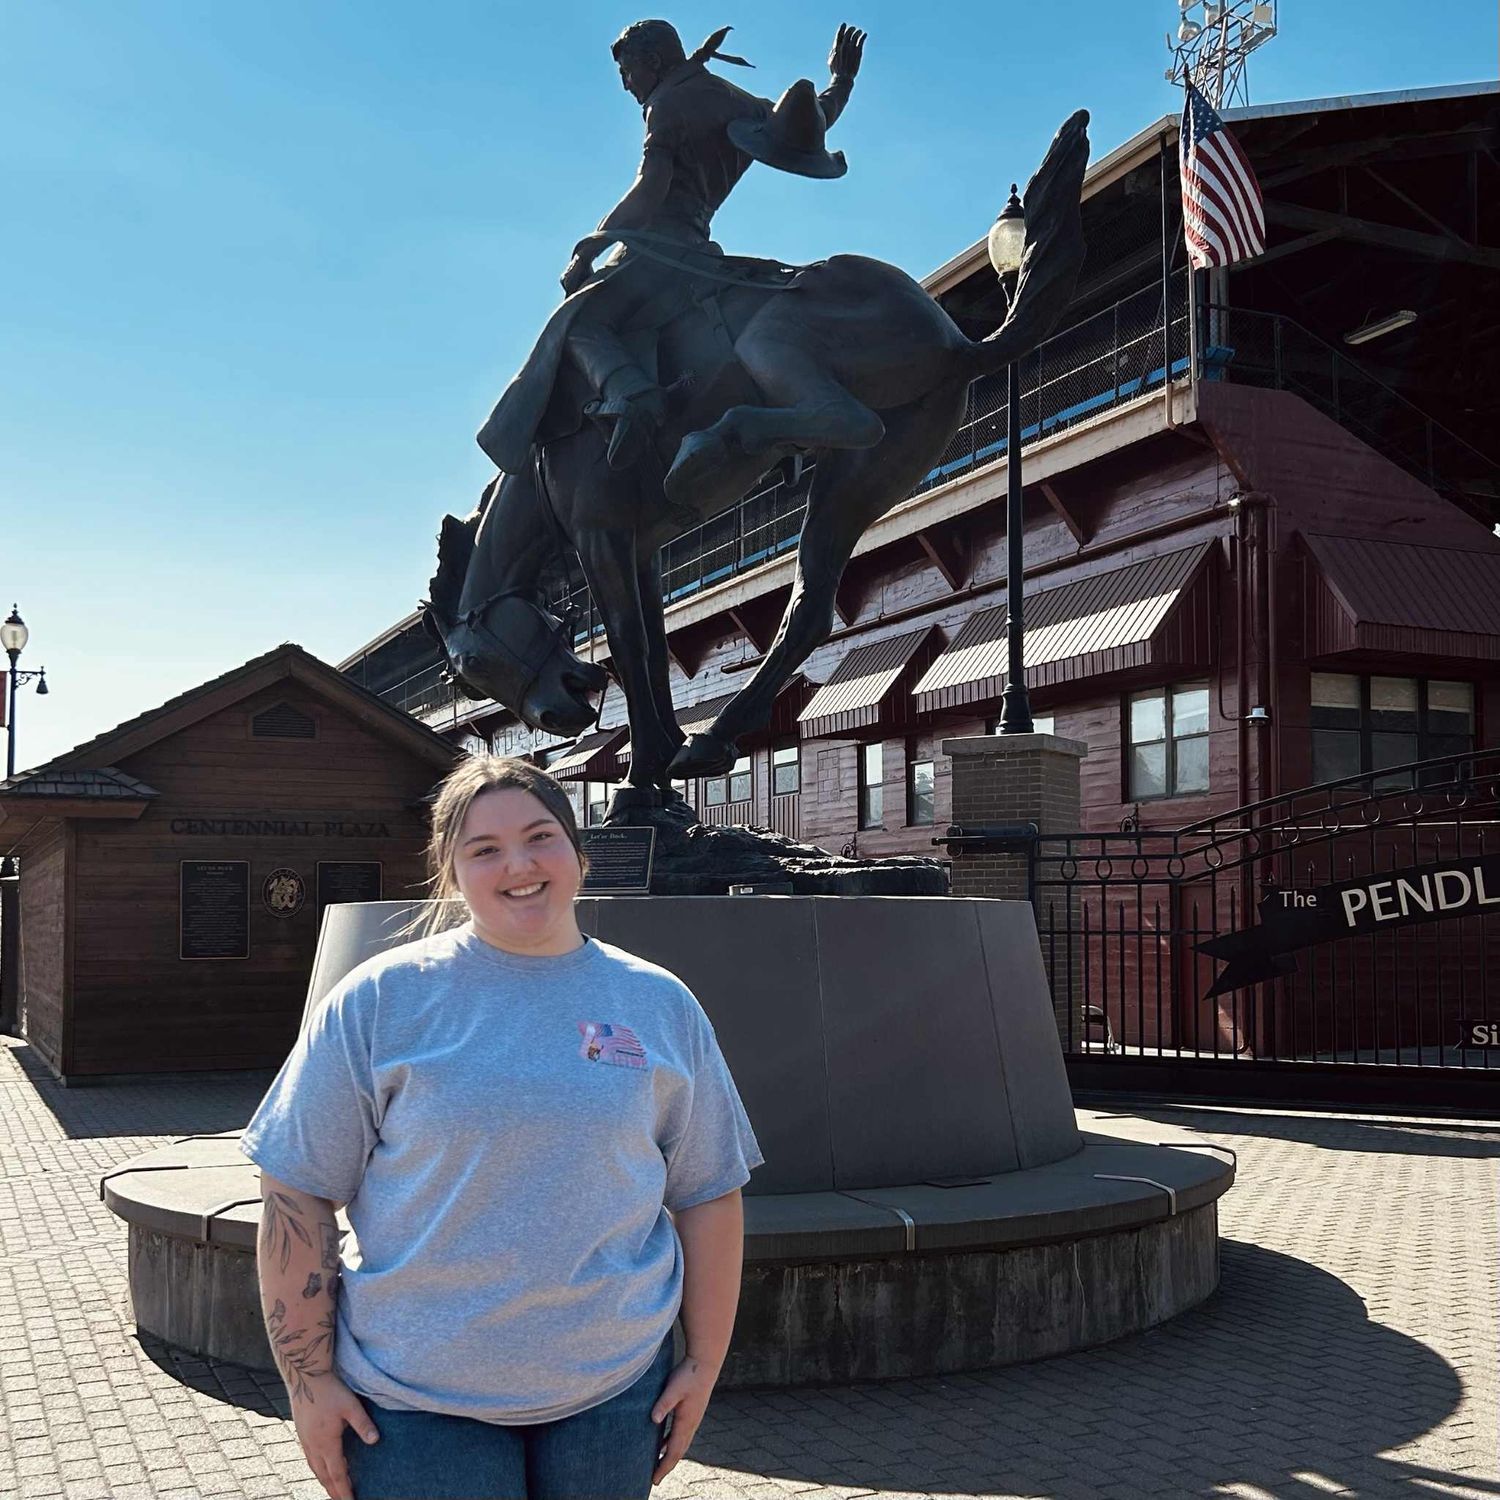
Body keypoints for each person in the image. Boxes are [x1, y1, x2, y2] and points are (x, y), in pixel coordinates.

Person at [240, 755, 764, 1500]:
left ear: (578, 852)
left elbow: (709, 1189)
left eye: (540, 837)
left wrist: (704, 1363)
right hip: (414, 1406)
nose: (518, 865)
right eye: (483, 849)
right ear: (451, 871)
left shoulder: (659, 1004)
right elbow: (294, 1193)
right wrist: (310, 1382)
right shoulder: (381, 1001)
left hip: (612, 1396)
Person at [477, 19, 865, 476]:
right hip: (701, 252)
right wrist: (842, 80)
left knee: (574, 322)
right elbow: (804, 126)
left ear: (654, 61)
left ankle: (632, 397)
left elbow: (650, 188)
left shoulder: (665, 104)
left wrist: (589, 247)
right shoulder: (729, 96)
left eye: (627, 71)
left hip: (656, 254)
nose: (625, 84)